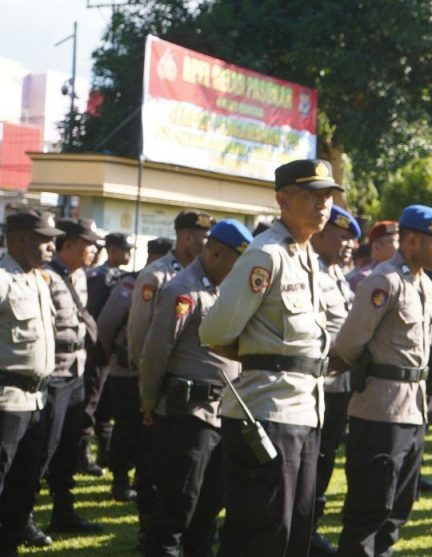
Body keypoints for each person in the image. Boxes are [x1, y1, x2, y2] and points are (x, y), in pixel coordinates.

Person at [199, 158, 341, 556]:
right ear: (282, 199)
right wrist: (257, 357)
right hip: (268, 411)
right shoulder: (266, 255)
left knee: (295, 533)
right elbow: (213, 332)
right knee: (261, 534)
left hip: (306, 413)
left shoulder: (308, 256)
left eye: (328, 195)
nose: (323, 204)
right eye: (312, 195)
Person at [332, 205, 432, 557]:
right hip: (380, 410)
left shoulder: (425, 285)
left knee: (398, 508)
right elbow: (349, 342)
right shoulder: (384, 281)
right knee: (369, 510)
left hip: (413, 410)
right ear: (411, 240)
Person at [138, 220, 252, 557]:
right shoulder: (183, 289)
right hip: (187, 415)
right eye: (236, 262)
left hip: (220, 414)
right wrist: (148, 400)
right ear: (215, 251)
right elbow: (156, 350)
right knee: (177, 506)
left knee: (208, 509)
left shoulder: (220, 289)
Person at [126, 211, 212, 541]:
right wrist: (145, 385)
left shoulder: (205, 278)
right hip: (159, 386)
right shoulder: (157, 275)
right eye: (204, 236)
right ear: (187, 237)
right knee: (151, 464)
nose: (209, 244)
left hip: (184, 392)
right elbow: (140, 336)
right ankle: (149, 528)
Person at [30, 218, 103, 539]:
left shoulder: (79, 276)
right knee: (43, 448)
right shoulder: (46, 276)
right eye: (89, 244)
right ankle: (24, 516)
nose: (94, 250)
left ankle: (63, 511)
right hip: (53, 375)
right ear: (70, 244)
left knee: (69, 448)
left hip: (77, 371)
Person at [0, 211, 62, 556]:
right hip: (6, 401)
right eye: (44, 238)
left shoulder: (37, 279)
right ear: (21, 238)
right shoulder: (2, 278)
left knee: (24, 484)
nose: (52, 245)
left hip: (37, 400)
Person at [95, 238, 171, 508]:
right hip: (126, 372)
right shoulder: (131, 282)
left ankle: (140, 480)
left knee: (147, 434)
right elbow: (106, 323)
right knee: (126, 429)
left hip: (153, 374)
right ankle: (119, 481)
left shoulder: (171, 283)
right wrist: (113, 354)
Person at [309, 206, 361, 556]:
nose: (348, 246)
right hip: (317, 383)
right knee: (309, 458)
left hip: (339, 384)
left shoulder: (338, 274)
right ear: (321, 234)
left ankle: (309, 525)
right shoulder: (311, 270)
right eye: (342, 238)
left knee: (325, 456)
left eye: (351, 240)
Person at [79, 232, 134, 477]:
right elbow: (98, 316)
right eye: (125, 249)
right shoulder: (100, 277)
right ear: (112, 250)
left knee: (104, 407)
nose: (129, 254)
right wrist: (106, 347)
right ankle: (82, 456)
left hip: (109, 353)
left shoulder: (120, 277)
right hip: (98, 351)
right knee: (90, 404)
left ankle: (104, 453)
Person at [346, 220, 399, 292]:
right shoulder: (365, 278)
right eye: (396, 241)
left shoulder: (398, 273)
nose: (400, 246)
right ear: (377, 247)